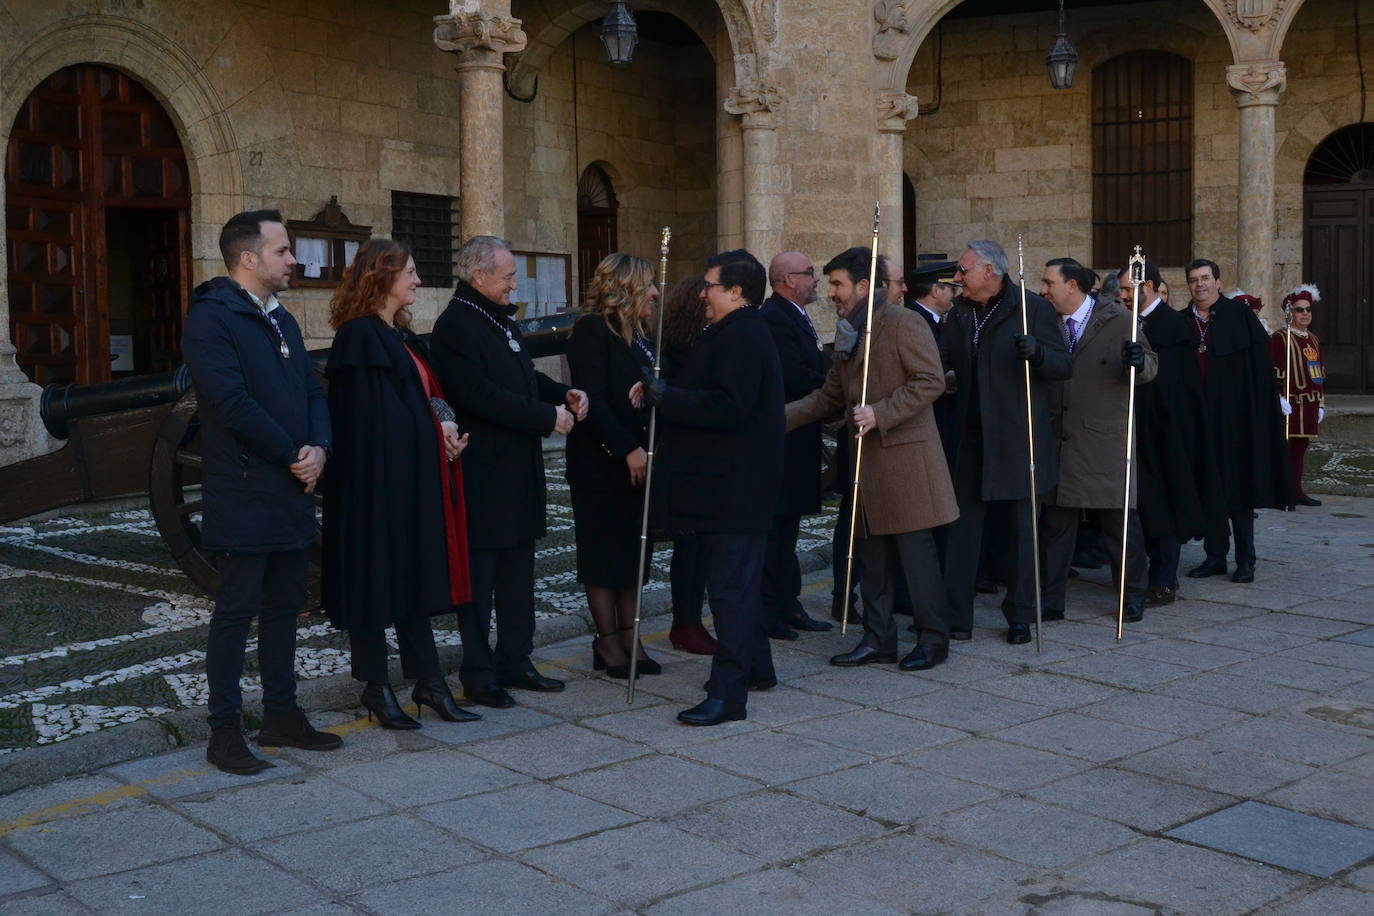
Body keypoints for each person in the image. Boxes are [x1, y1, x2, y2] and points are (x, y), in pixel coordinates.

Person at [181, 210, 341, 775]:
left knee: (284, 607)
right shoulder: (211, 319)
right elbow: (229, 404)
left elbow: (311, 392)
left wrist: (319, 447)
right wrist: (292, 454)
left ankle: (282, 715)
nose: (293, 260)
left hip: (291, 488)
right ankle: (224, 731)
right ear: (249, 258)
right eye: (282, 251)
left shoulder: (284, 320)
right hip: (246, 487)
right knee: (235, 611)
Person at [319, 239, 480, 729]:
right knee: (375, 585)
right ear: (381, 278)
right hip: (374, 489)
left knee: (411, 580)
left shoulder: (401, 336)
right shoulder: (359, 337)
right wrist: (433, 435)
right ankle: (375, 686)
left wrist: (445, 433)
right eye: (409, 271)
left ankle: (429, 682)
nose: (417, 280)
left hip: (411, 481)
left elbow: (426, 402)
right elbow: (371, 422)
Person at [429, 236, 589, 708]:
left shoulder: (497, 319)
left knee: (519, 575)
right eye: (508, 277)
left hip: (517, 473)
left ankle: (516, 660)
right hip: (484, 475)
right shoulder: (456, 325)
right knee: (481, 582)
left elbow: (521, 378)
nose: (514, 284)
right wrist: (546, 419)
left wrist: (562, 394)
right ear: (479, 276)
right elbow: (479, 395)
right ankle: (478, 674)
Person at [786, 247, 958, 670]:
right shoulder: (849, 328)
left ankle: (934, 640)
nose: (832, 293)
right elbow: (829, 395)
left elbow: (930, 381)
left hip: (906, 463)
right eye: (830, 284)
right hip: (865, 467)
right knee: (872, 560)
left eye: (838, 284)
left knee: (917, 561)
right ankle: (879, 638)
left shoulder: (904, 322)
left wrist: (881, 413)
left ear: (863, 286)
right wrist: (771, 421)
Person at [635, 250, 783, 725]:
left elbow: (728, 407)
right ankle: (756, 667)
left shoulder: (743, 334)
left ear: (736, 292)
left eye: (711, 286)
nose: (703, 293)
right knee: (738, 584)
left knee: (730, 589)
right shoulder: (733, 330)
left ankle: (729, 694)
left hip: (735, 487)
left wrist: (668, 397)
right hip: (732, 484)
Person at [941, 240, 1073, 644]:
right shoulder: (960, 312)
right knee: (961, 531)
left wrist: (1038, 355)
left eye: (963, 270)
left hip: (1019, 437)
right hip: (971, 435)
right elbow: (947, 362)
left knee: (1021, 532)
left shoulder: (1031, 308)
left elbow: (1064, 364)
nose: (957, 277)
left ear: (989, 272)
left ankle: (1020, 615)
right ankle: (955, 617)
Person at [1038, 258, 1157, 624]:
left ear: (1071, 286)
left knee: (1120, 527)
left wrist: (1138, 361)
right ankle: (1050, 599)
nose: (1043, 290)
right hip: (1060, 440)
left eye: (1049, 282)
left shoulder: (1119, 319)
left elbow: (1151, 365)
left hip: (1105, 442)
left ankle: (1132, 594)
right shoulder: (1046, 322)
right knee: (1055, 529)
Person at [565, 253, 663, 678]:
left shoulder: (638, 335)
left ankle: (630, 636)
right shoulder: (591, 330)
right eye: (649, 284)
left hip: (638, 462)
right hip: (601, 464)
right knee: (604, 554)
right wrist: (627, 449)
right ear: (625, 287)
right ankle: (607, 642)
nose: (657, 292)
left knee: (632, 554)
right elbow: (594, 399)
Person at [1181, 258, 1293, 584]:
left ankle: (1246, 560)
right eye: (1193, 280)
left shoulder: (1240, 316)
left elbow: (1258, 372)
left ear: (1218, 281)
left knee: (1239, 491)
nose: (1199, 284)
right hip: (1197, 420)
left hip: (1234, 421)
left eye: (1205, 278)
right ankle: (1215, 557)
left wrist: (1258, 415)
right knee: (1209, 489)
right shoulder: (1182, 320)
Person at [1115, 260, 1209, 607]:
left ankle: (1164, 579)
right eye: (1122, 290)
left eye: (1129, 289)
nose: (1123, 296)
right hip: (1131, 427)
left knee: (1163, 506)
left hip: (1165, 431)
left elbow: (1179, 387)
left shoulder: (1172, 325)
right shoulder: (1124, 322)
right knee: (1137, 506)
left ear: (1150, 286)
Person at [760, 251, 832, 638]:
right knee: (777, 530)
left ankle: (789, 604)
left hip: (801, 436)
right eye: (810, 273)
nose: (816, 280)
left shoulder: (794, 315)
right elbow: (794, 375)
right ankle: (773, 609)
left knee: (787, 531)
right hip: (784, 440)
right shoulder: (774, 318)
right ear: (790, 279)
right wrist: (834, 388)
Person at [658, 276, 717, 656]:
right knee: (689, 543)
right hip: (684, 457)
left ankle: (692, 618)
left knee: (702, 543)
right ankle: (686, 621)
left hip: (707, 456)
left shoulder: (706, 343)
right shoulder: (679, 351)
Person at [1273, 284, 1326, 507]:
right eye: (1299, 310)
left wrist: (1321, 403)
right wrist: (1277, 397)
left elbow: (1319, 373)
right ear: (1289, 312)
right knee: (1285, 448)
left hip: (1309, 404)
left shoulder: (1313, 339)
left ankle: (1296, 491)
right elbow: (1272, 370)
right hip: (1290, 403)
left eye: (1307, 310)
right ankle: (1281, 492)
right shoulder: (1279, 338)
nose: (1304, 314)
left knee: (1301, 448)